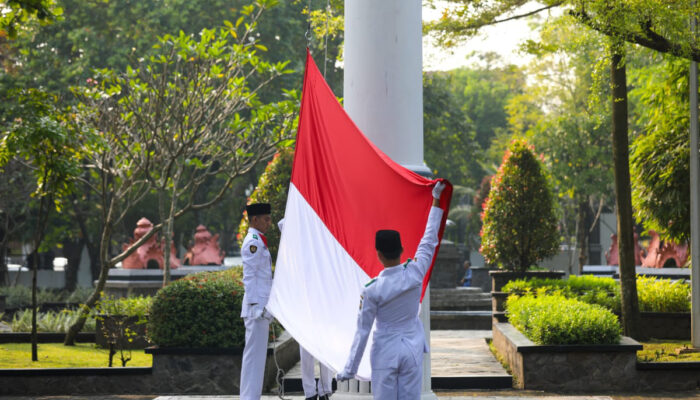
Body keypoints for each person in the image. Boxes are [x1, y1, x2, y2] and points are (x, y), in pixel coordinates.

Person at [336, 181, 447, 400]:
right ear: (402, 249)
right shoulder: (415, 272)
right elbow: (429, 239)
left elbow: (363, 332)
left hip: (385, 351)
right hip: (411, 348)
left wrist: (350, 369)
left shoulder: (372, 289)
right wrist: (436, 199)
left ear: (378, 254)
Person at [239, 202, 274, 400]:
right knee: (253, 357)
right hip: (256, 308)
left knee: (257, 358)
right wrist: (254, 305)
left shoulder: (259, 240)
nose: (269, 223)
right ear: (255, 220)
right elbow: (249, 277)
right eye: (266, 219)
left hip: (261, 306)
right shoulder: (252, 241)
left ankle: (252, 396)